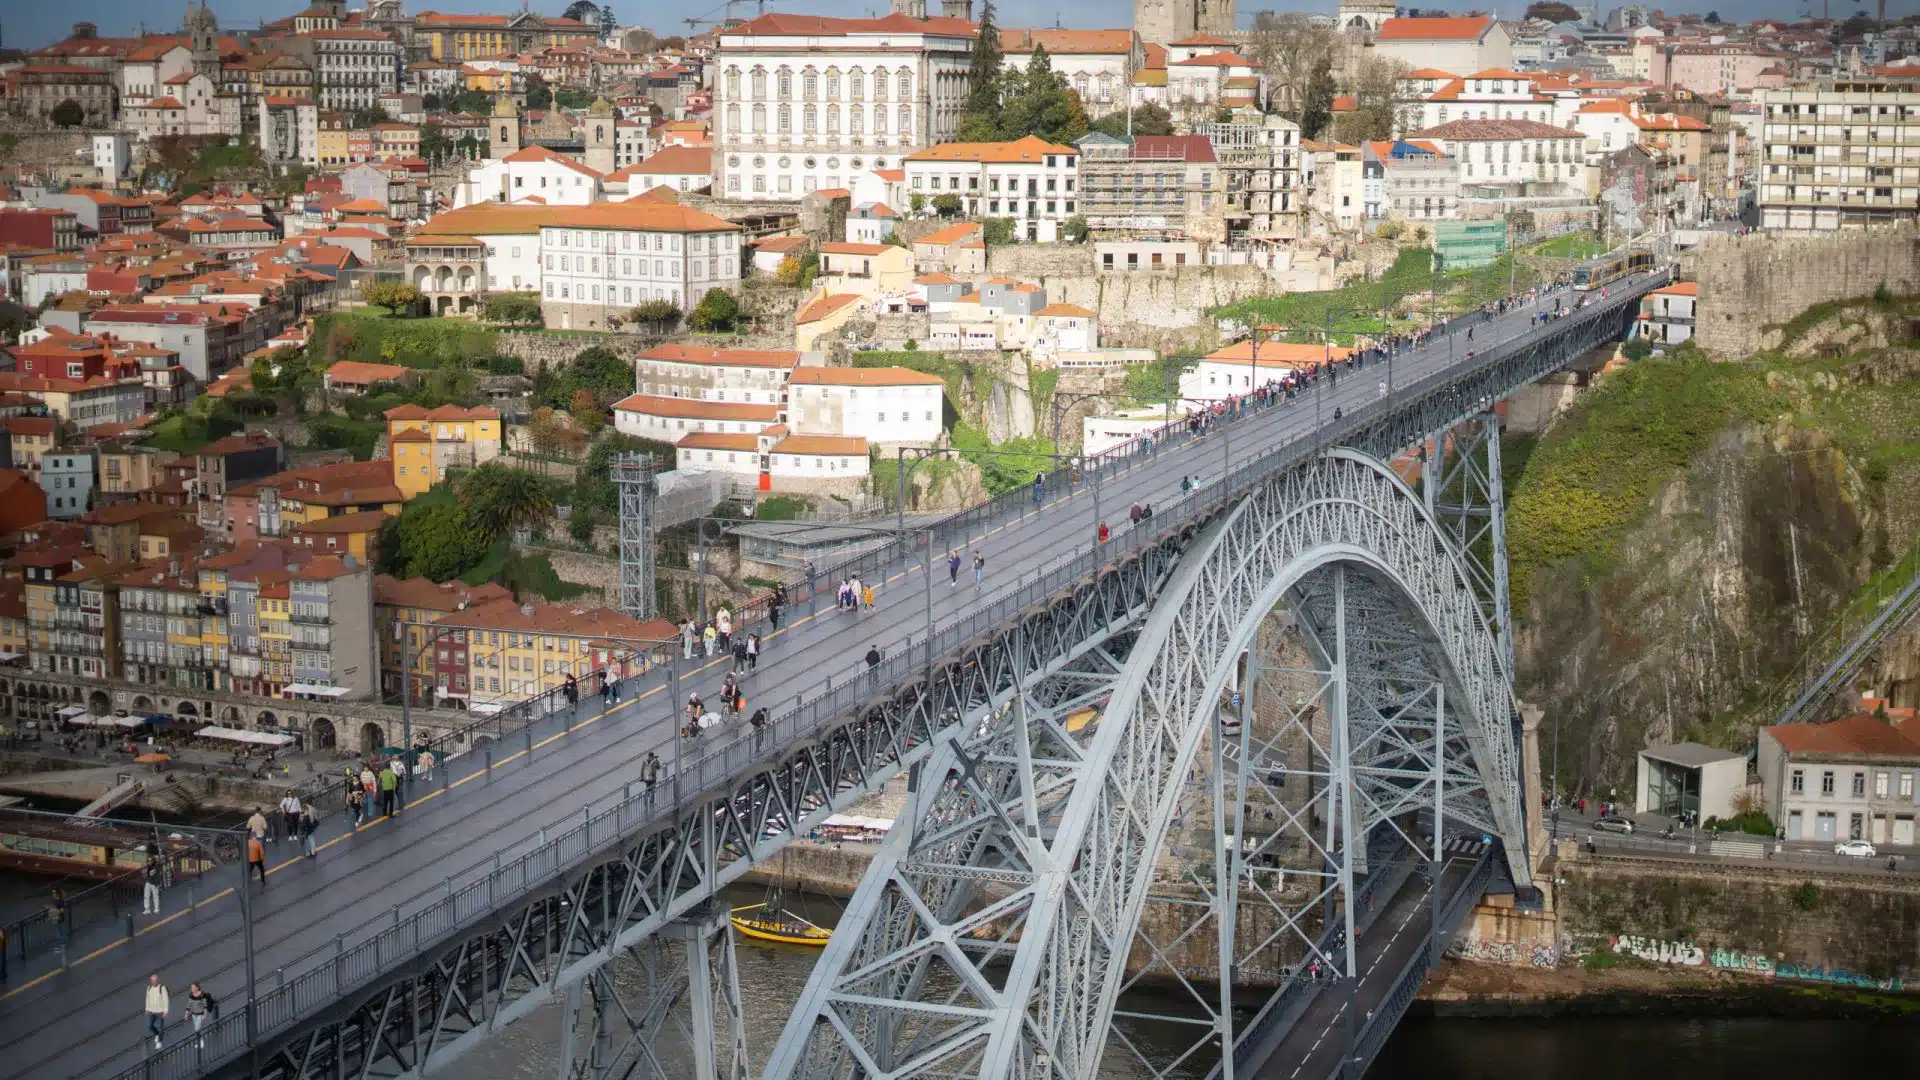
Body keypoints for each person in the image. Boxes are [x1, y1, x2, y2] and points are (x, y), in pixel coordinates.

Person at [185, 983, 215, 1048]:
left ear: (197, 987)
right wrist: (186, 1014)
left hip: (200, 1014)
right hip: (194, 1014)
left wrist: (205, 1014)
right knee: (197, 1029)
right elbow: (188, 1005)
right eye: (191, 987)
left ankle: (201, 1042)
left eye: (193, 987)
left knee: (197, 1028)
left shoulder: (202, 995)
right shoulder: (191, 995)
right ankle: (199, 1041)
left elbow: (205, 1005)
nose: (191, 989)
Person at [145, 974, 171, 1049]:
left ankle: (160, 1041)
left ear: (158, 980)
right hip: (152, 1011)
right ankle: (157, 1034)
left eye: (155, 981)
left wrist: (165, 1011)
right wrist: (147, 1009)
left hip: (160, 1011)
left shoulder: (162, 988)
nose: (154, 982)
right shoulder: (149, 988)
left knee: (161, 1028)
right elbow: (147, 999)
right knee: (150, 1026)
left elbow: (165, 1000)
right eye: (152, 981)